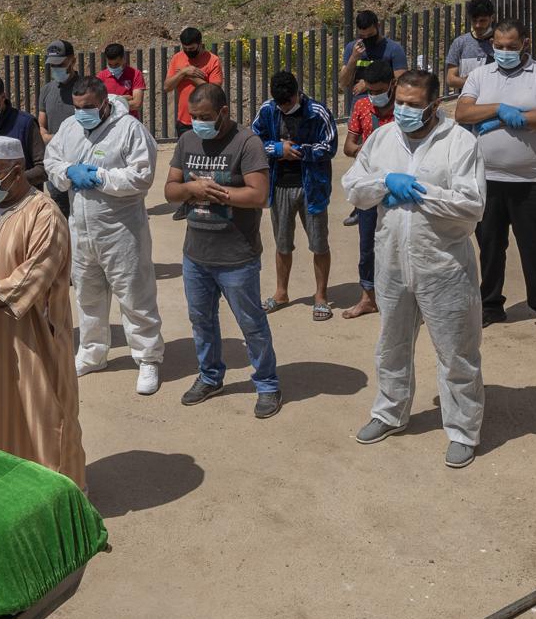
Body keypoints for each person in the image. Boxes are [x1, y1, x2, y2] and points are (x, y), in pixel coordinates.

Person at [341, 70, 488, 468]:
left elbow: (471, 205)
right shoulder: (383, 137)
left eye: (413, 104)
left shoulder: (458, 142)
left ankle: (462, 429)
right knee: (391, 345)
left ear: (433, 105)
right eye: (399, 102)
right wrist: (387, 181)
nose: (403, 110)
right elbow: (353, 185)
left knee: (456, 351)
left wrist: (420, 191)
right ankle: (390, 412)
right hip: (391, 260)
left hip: (443, 265)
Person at [0, 136, 85, 485]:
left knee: (43, 413)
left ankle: (59, 493)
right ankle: (5, 487)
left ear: (17, 171)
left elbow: (38, 271)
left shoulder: (44, 214)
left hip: (30, 337)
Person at [165, 83, 282, 418]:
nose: (199, 122)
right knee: (201, 321)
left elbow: (260, 196)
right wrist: (190, 187)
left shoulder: (247, 143)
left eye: (205, 117)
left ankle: (267, 384)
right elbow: (171, 189)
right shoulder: (187, 141)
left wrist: (218, 193)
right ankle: (210, 376)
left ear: (224, 113)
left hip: (237, 256)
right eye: (194, 116)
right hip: (196, 254)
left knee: (251, 323)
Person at [44, 75, 164, 393]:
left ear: (104, 102)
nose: (82, 112)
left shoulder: (130, 130)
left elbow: (142, 175)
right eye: (77, 106)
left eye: (88, 107)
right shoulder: (70, 127)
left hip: (121, 230)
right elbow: (51, 160)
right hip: (81, 230)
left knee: (135, 295)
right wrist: (69, 172)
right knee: (87, 295)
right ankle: (93, 353)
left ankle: (148, 358)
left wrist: (100, 176)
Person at [455, 19, 536, 340]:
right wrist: (501, 109)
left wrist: (504, 119)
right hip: (487, 179)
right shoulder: (480, 75)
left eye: (512, 46)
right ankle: (491, 304)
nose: (505, 52)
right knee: (490, 246)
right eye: (499, 46)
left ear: (526, 44)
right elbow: (463, 113)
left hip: (534, 179)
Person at [251, 69, 338, 320]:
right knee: (282, 244)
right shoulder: (268, 110)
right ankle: (281, 293)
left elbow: (329, 146)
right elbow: (254, 140)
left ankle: (321, 296)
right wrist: (278, 148)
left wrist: (299, 151)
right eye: (280, 103)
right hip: (280, 187)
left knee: (319, 243)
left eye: (287, 102)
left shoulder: (318, 112)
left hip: (313, 187)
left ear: (297, 93)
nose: (284, 107)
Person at [339, 59, 396, 319]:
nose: (374, 95)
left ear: (392, 86)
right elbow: (348, 146)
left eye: (379, 90)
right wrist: (367, 151)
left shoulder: (405, 109)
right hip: (371, 189)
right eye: (370, 91)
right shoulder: (361, 106)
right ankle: (368, 298)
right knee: (368, 246)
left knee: (400, 243)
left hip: (398, 191)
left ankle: (402, 300)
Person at [36, 40, 78, 216]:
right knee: (59, 213)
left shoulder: (86, 88)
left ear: (72, 61)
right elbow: (41, 124)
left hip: (79, 162)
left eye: (60, 64)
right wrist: (45, 136)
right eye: (52, 65)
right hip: (55, 163)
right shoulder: (46, 90)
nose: (55, 68)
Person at [340, 10, 410, 104]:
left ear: (378, 26)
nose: (367, 38)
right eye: (362, 36)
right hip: (359, 103)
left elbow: (401, 81)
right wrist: (353, 58)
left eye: (370, 35)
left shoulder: (394, 49)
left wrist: (368, 84)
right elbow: (343, 83)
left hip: (386, 103)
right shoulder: (352, 48)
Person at [164, 27, 223, 137]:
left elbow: (215, 91)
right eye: (185, 48)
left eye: (191, 49)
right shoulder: (177, 58)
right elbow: (167, 87)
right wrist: (183, 73)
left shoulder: (213, 60)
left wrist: (191, 77)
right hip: (184, 121)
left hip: (207, 120)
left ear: (200, 44)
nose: (188, 52)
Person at [443, 0, 497, 97]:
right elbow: (450, 79)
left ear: (492, 18)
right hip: (467, 100)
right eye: (474, 20)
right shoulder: (460, 42)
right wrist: (476, 83)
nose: (477, 25)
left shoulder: (502, 42)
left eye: (482, 21)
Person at [97, 42, 146, 118]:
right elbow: (98, 104)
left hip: (128, 121)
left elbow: (137, 104)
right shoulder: (101, 76)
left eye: (116, 64)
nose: (113, 68)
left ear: (123, 59)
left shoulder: (135, 74)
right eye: (110, 65)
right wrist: (122, 99)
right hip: (108, 122)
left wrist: (109, 104)